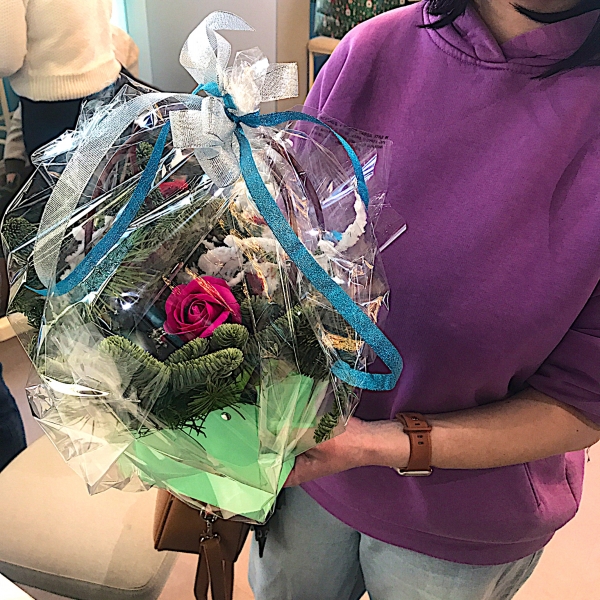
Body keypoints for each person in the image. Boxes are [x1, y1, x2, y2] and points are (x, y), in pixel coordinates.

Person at [249, 1, 600, 599]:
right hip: (307, 471)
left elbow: (580, 400)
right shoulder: (371, 51)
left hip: (464, 520)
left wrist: (373, 444)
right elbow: (279, 257)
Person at [0, 0, 121, 157]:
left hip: (52, 103)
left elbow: (7, 62)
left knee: (61, 172)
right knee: (107, 166)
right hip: (107, 85)